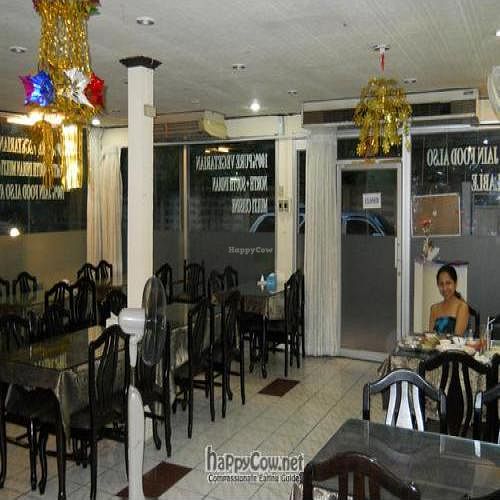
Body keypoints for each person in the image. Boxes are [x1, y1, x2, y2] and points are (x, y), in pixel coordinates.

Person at [428, 264, 469, 335]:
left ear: (455, 284)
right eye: (441, 284)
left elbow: (457, 338)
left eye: (448, 283)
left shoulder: (462, 307)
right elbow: (431, 338)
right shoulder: (434, 308)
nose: (444, 288)